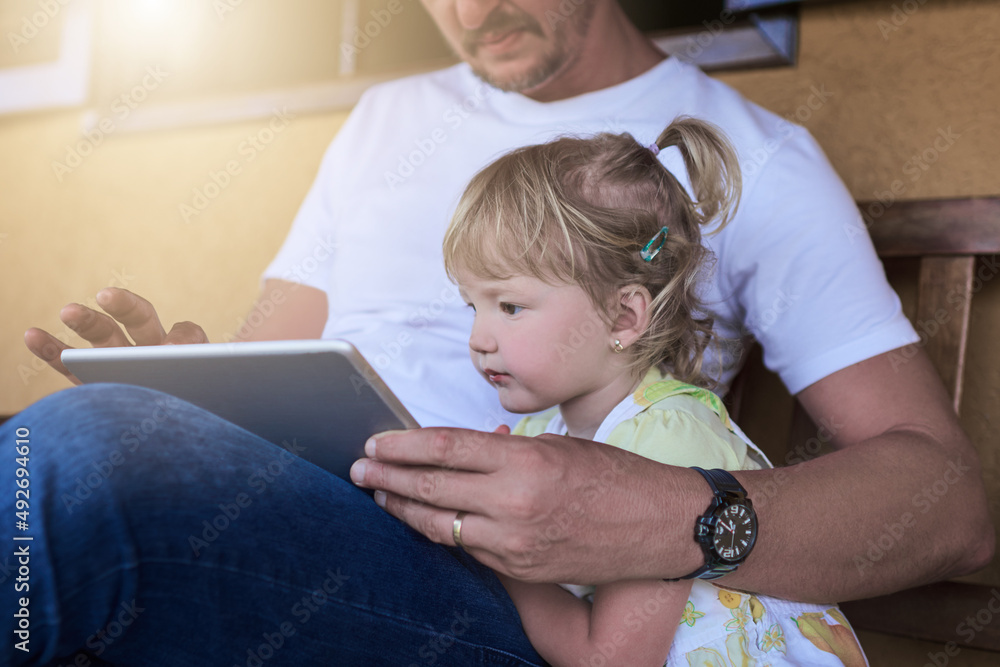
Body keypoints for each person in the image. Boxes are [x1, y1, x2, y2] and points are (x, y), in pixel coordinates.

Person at [8, 0, 991, 664]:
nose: (472, 7)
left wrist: (667, 519)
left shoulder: (755, 157)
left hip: (492, 579)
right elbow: (279, 350)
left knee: (76, 461)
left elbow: (946, 503)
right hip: (309, 515)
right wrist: (190, 391)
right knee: (68, 436)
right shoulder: (383, 117)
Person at [441, 116, 868, 665]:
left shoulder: (670, 444)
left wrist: (494, 554)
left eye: (511, 306)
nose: (479, 339)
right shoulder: (538, 434)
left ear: (622, 316)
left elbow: (611, 658)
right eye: (471, 306)